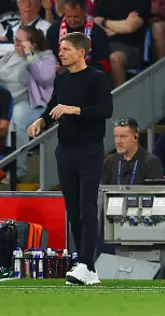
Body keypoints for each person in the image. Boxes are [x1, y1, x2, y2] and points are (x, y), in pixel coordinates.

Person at [27, 32, 113, 286]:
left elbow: (105, 110)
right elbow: (54, 104)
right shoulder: (62, 79)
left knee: (88, 208)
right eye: (60, 49)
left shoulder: (97, 78)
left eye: (65, 49)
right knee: (74, 211)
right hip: (65, 150)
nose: (61, 53)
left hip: (89, 150)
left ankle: (85, 263)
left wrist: (74, 110)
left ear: (80, 52)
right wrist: (42, 119)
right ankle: (88, 267)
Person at [4, 26, 56, 179]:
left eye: (21, 41)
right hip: (8, 103)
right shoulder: (9, 56)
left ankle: (18, 170)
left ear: (32, 45)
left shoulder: (45, 57)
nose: (16, 44)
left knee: (18, 115)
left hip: (36, 106)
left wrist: (29, 55)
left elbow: (45, 78)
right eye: (15, 40)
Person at [93, 0, 152, 86]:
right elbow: (95, 23)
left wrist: (105, 22)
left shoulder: (142, 1)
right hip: (104, 43)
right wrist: (120, 25)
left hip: (129, 48)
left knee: (115, 58)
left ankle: (121, 101)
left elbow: (129, 27)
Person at [46, 0, 110, 73]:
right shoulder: (53, 31)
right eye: (69, 16)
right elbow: (47, 58)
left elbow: (103, 65)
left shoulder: (97, 33)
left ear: (84, 12)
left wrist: (76, 69)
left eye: (76, 17)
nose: (72, 20)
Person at [101, 118, 164, 185]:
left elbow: (155, 193)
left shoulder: (151, 162)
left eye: (123, 136)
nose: (118, 141)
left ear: (135, 137)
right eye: (116, 136)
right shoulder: (110, 162)